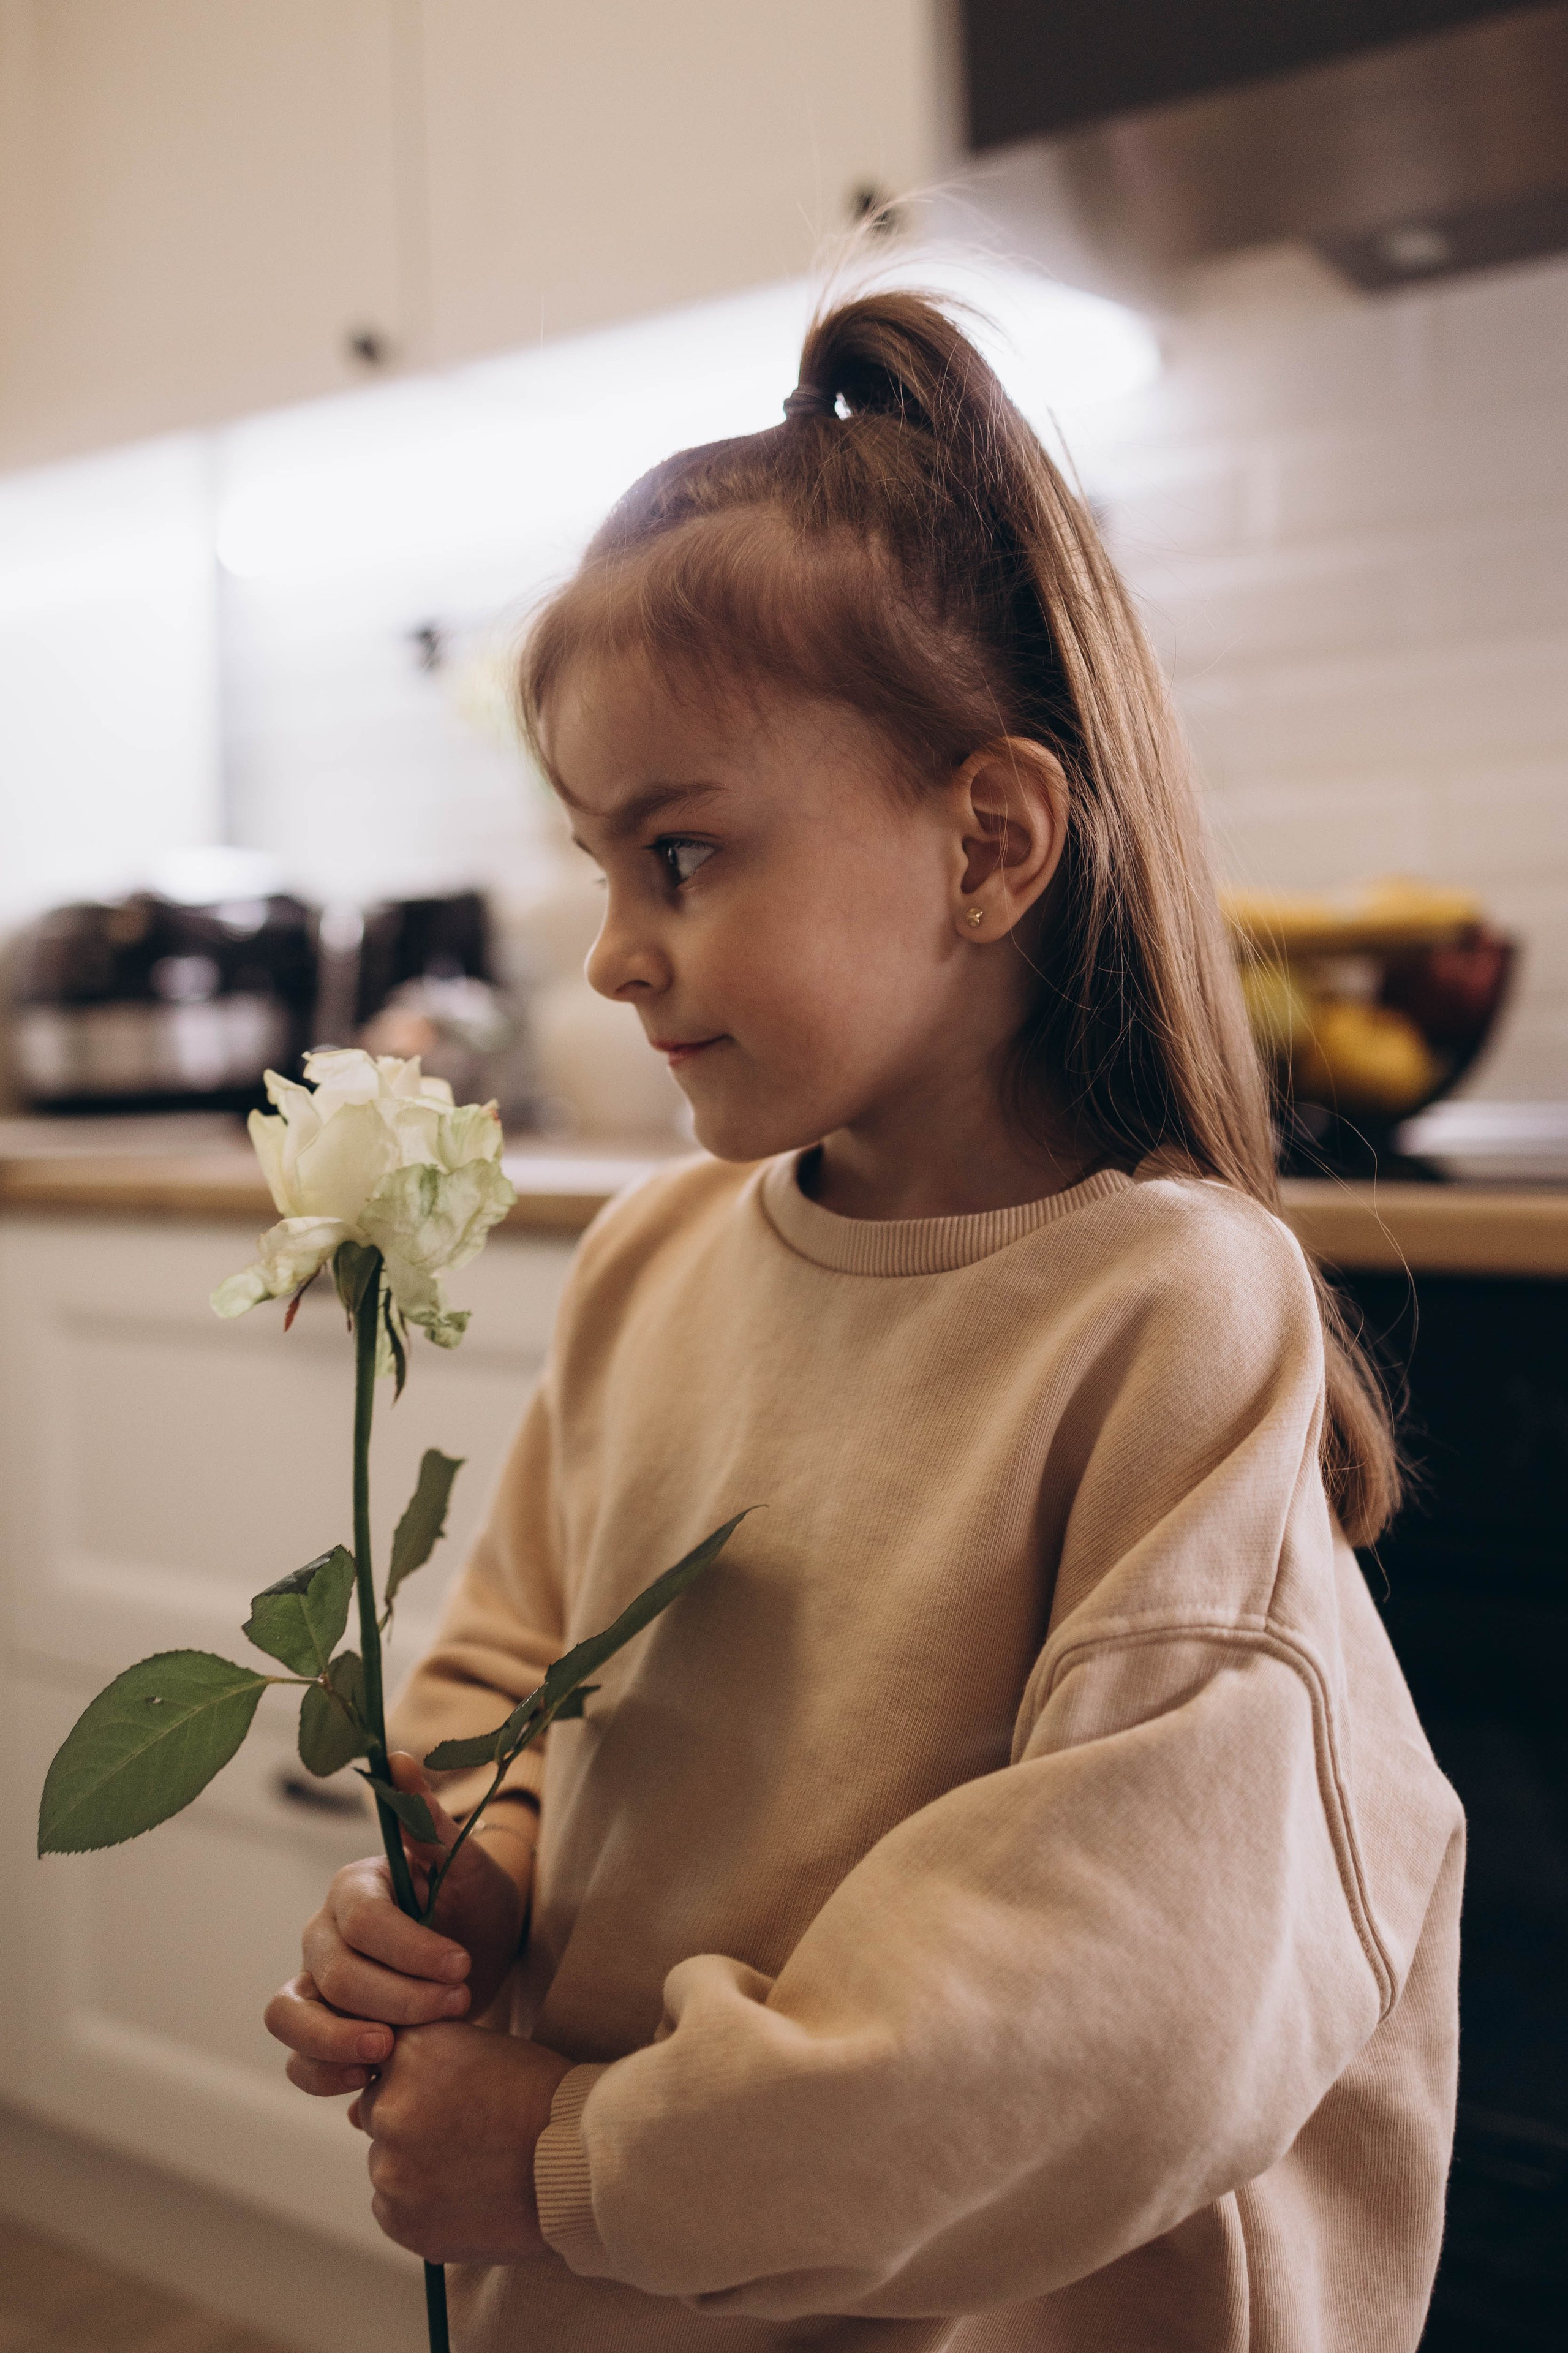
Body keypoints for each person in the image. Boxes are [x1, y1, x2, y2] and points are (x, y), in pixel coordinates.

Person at [264, 291, 1463, 2351]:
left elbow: (1114, 1998)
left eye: (682, 852)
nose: (622, 958)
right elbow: (509, 1667)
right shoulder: (656, 1260)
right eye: (600, 865)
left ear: (988, 840)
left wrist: (577, 2158)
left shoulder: (1164, 1312)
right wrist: (469, 1870)